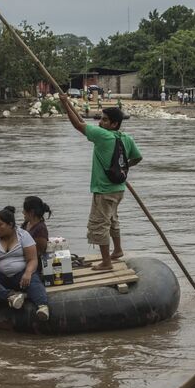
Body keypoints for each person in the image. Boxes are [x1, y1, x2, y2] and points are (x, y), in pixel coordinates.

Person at [60, 99, 142, 271]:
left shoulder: (103, 136)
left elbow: (78, 125)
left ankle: (106, 262)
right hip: (118, 189)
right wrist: (123, 168)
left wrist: (65, 105)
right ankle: (117, 250)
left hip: (104, 190)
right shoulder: (125, 138)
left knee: (99, 225)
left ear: (114, 124)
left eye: (105, 120)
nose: (100, 122)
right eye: (101, 119)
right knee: (112, 220)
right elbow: (137, 158)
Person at [0, 206, 50, 320]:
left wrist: (27, 273)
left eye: (0, 225)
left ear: (10, 225)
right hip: (0, 277)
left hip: (20, 276)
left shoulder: (23, 235)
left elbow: (32, 259)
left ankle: (42, 306)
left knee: (33, 278)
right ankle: (11, 296)